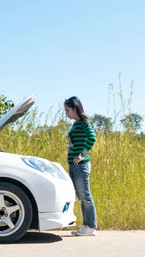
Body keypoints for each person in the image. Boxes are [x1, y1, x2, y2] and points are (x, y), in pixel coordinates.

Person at [64, 96, 97, 236]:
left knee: (85, 196)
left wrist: (82, 155)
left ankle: (91, 226)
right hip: (74, 165)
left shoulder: (84, 122)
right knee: (81, 196)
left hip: (81, 165)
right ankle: (86, 226)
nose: (66, 113)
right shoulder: (76, 123)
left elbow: (92, 137)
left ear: (75, 108)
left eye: (67, 110)